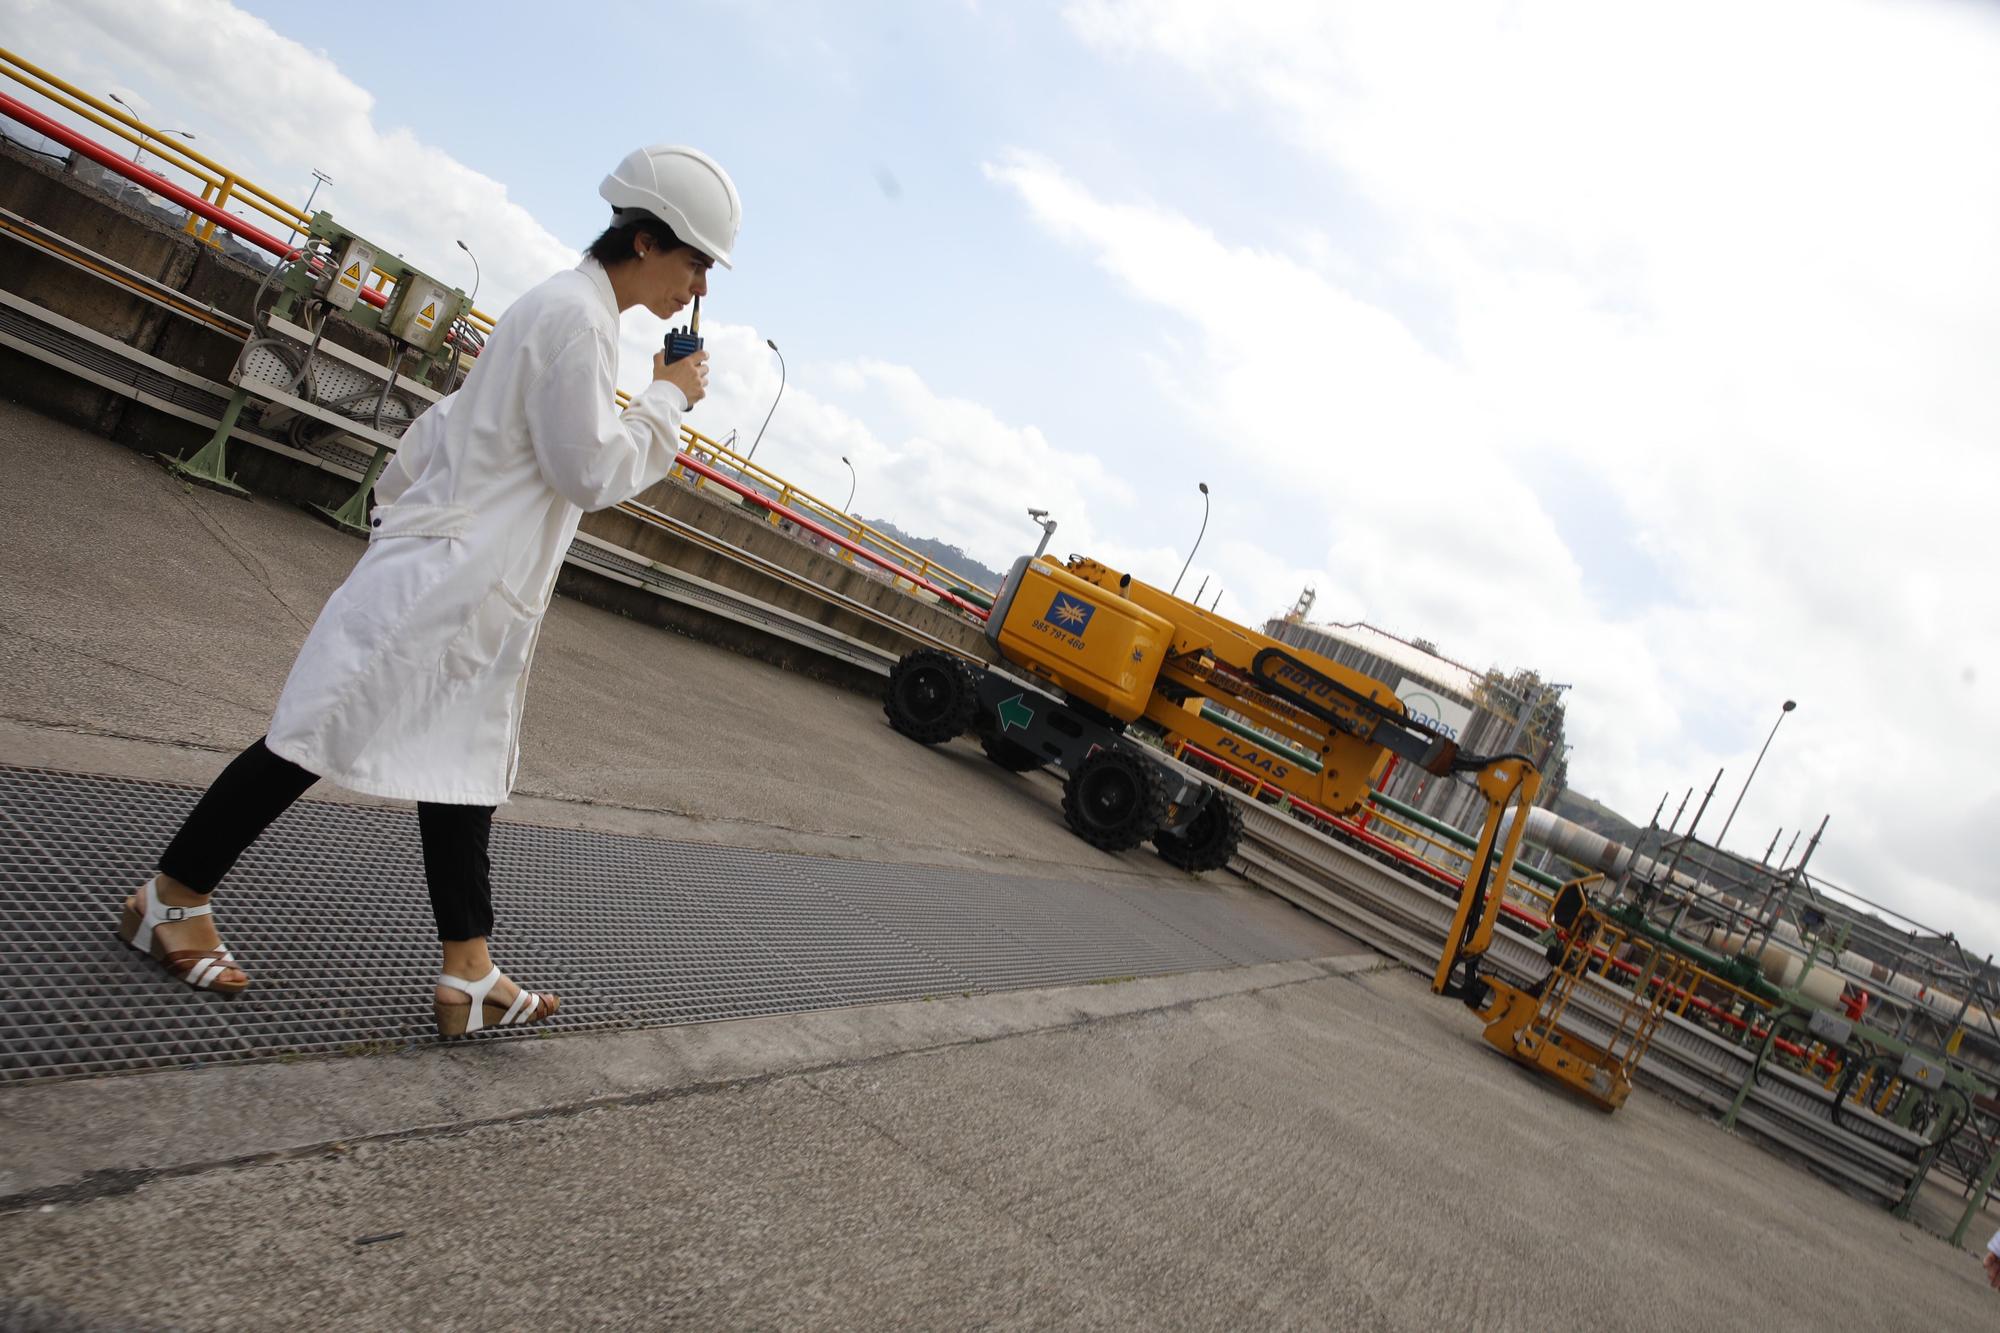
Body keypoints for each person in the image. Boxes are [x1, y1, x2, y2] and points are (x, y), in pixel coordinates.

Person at [118, 145, 741, 1037]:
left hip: (468, 578)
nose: (697, 287)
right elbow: (590, 470)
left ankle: (470, 971)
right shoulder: (577, 319)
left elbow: (453, 436)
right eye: (696, 263)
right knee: (312, 731)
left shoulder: (565, 309)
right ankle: (170, 898)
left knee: (461, 765)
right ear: (646, 241)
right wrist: (667, 400)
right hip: (446, 580)